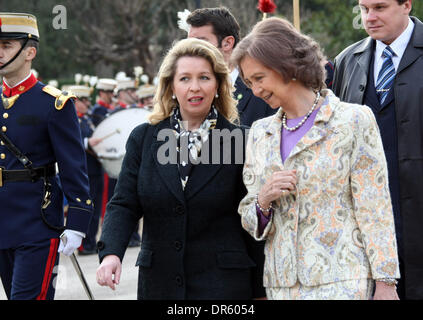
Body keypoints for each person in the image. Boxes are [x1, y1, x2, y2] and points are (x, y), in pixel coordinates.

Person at [232, 17, 400, 300]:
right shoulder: (260, 133)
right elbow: (250, 217)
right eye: (249, 82)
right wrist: (263, 199)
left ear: (286, 65)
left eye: (259, 78)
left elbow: (375, 207)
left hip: (344, 282)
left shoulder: (353, 120)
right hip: (281, 286)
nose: (256, 90)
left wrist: (386, 282)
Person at [96, 38, 265, 299]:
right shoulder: (144, 138)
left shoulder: (241, 141)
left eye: (204, 78)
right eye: (185, 78)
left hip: (223, 287)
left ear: (219, 85)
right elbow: (124, 203)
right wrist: (110, 254)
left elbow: (253, 218)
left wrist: (260, 290)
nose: (194, 87)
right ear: (171, 86)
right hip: (159, 284)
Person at [332, 0, 422, 300]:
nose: (369, 17)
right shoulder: (347, 60)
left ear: (407, 4)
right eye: (363, 8)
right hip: (367, 229)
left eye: (380, 7)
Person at [0, 13, 93, 300]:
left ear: (30, 52)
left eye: (7, 45)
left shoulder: (54, 103)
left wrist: (77, 222)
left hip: (37, 222)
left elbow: (73, 167)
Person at [186, 7, 276, 127]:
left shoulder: (262, 90)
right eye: (188, 44)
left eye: (200, 43)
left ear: (227, 43)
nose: (190, 50)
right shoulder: (186, 92)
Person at [69, 85, 104, 255]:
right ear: (76, 102)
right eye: (84, 101)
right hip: (84, 171)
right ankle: (84, 245)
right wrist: (88, 143)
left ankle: (91, 241)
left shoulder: (86, 119)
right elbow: (70, 143)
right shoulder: (72, 119)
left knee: (96, 208)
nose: (87, 104)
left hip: (95, 168)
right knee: (87, 207)